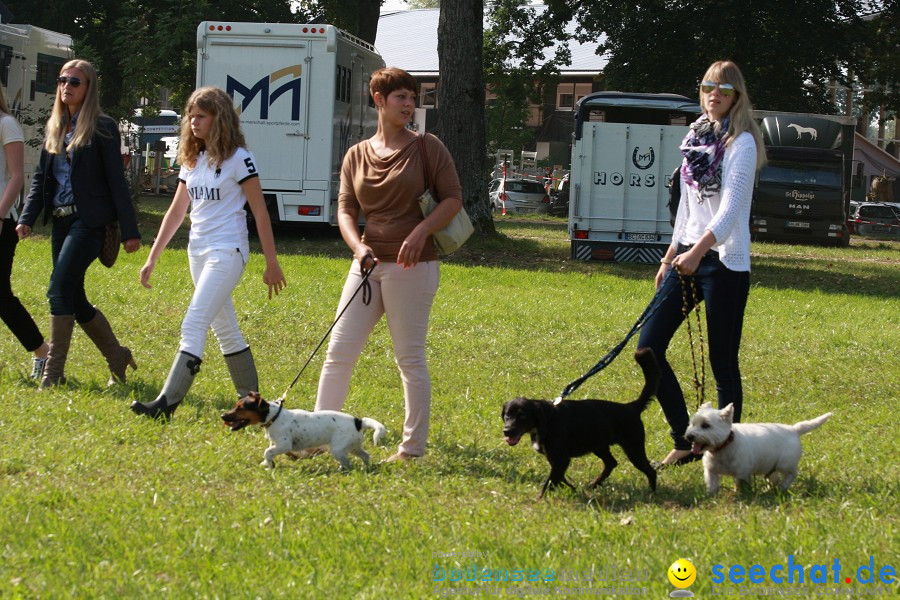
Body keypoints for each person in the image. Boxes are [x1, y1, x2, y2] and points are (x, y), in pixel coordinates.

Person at [314, 67, 462, 461]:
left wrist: (420, 232)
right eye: (401, 97)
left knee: (409, 358)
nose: (409, 104)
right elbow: (345, 209)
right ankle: (316, 437)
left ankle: (412, 448)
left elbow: (452, 199)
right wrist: (356, 247)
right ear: (378, 100)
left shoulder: (428, 147)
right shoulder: (356, 154)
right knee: (339, 353)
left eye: (413, 97)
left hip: (412, 267)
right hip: (366, 264)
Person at [637, 60, 766, 468]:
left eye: (724, 90)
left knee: (722, 363)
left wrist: (697, 252)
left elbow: (730, 213)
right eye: (709, 87)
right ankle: (685, 438)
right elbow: (688, 205)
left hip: (724, 262)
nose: (714, 95)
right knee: (648, 347)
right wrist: (672, 252)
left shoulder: (741, 143)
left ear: (736, 96)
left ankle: (729, 455)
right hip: (688, 254)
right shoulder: (696, 136)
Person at [131, 86, 286, 420]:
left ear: (220, 119)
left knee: (194, 322)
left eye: (201, 116)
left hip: (228, 251)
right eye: (191, 115)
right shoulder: (193, 158)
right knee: (225, 329)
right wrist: (152, 257)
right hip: (197, 252)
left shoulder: (240, 159)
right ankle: (255, 407)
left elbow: (260, 212)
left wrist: (271, 263)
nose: (193, 121)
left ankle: (165, 405)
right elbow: (176, 213)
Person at [17, 59, 141, 388]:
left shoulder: (102, 126)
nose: (66, 87)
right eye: (62, 81)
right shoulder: (55, 126)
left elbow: (116, 180)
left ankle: (52, 375)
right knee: (74, 297)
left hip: (90, 222)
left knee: (58, 291)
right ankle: (117, 356)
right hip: (59, 222)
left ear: (88, 89)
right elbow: (41, 180)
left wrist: (130, 231)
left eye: (75, 82)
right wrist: (26, 219)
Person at [0, 83, 50, 379]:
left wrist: (2, 215)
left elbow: (17, 177)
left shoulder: (7, 124)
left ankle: (43, 350)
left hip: (3, 221)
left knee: (1, 295)